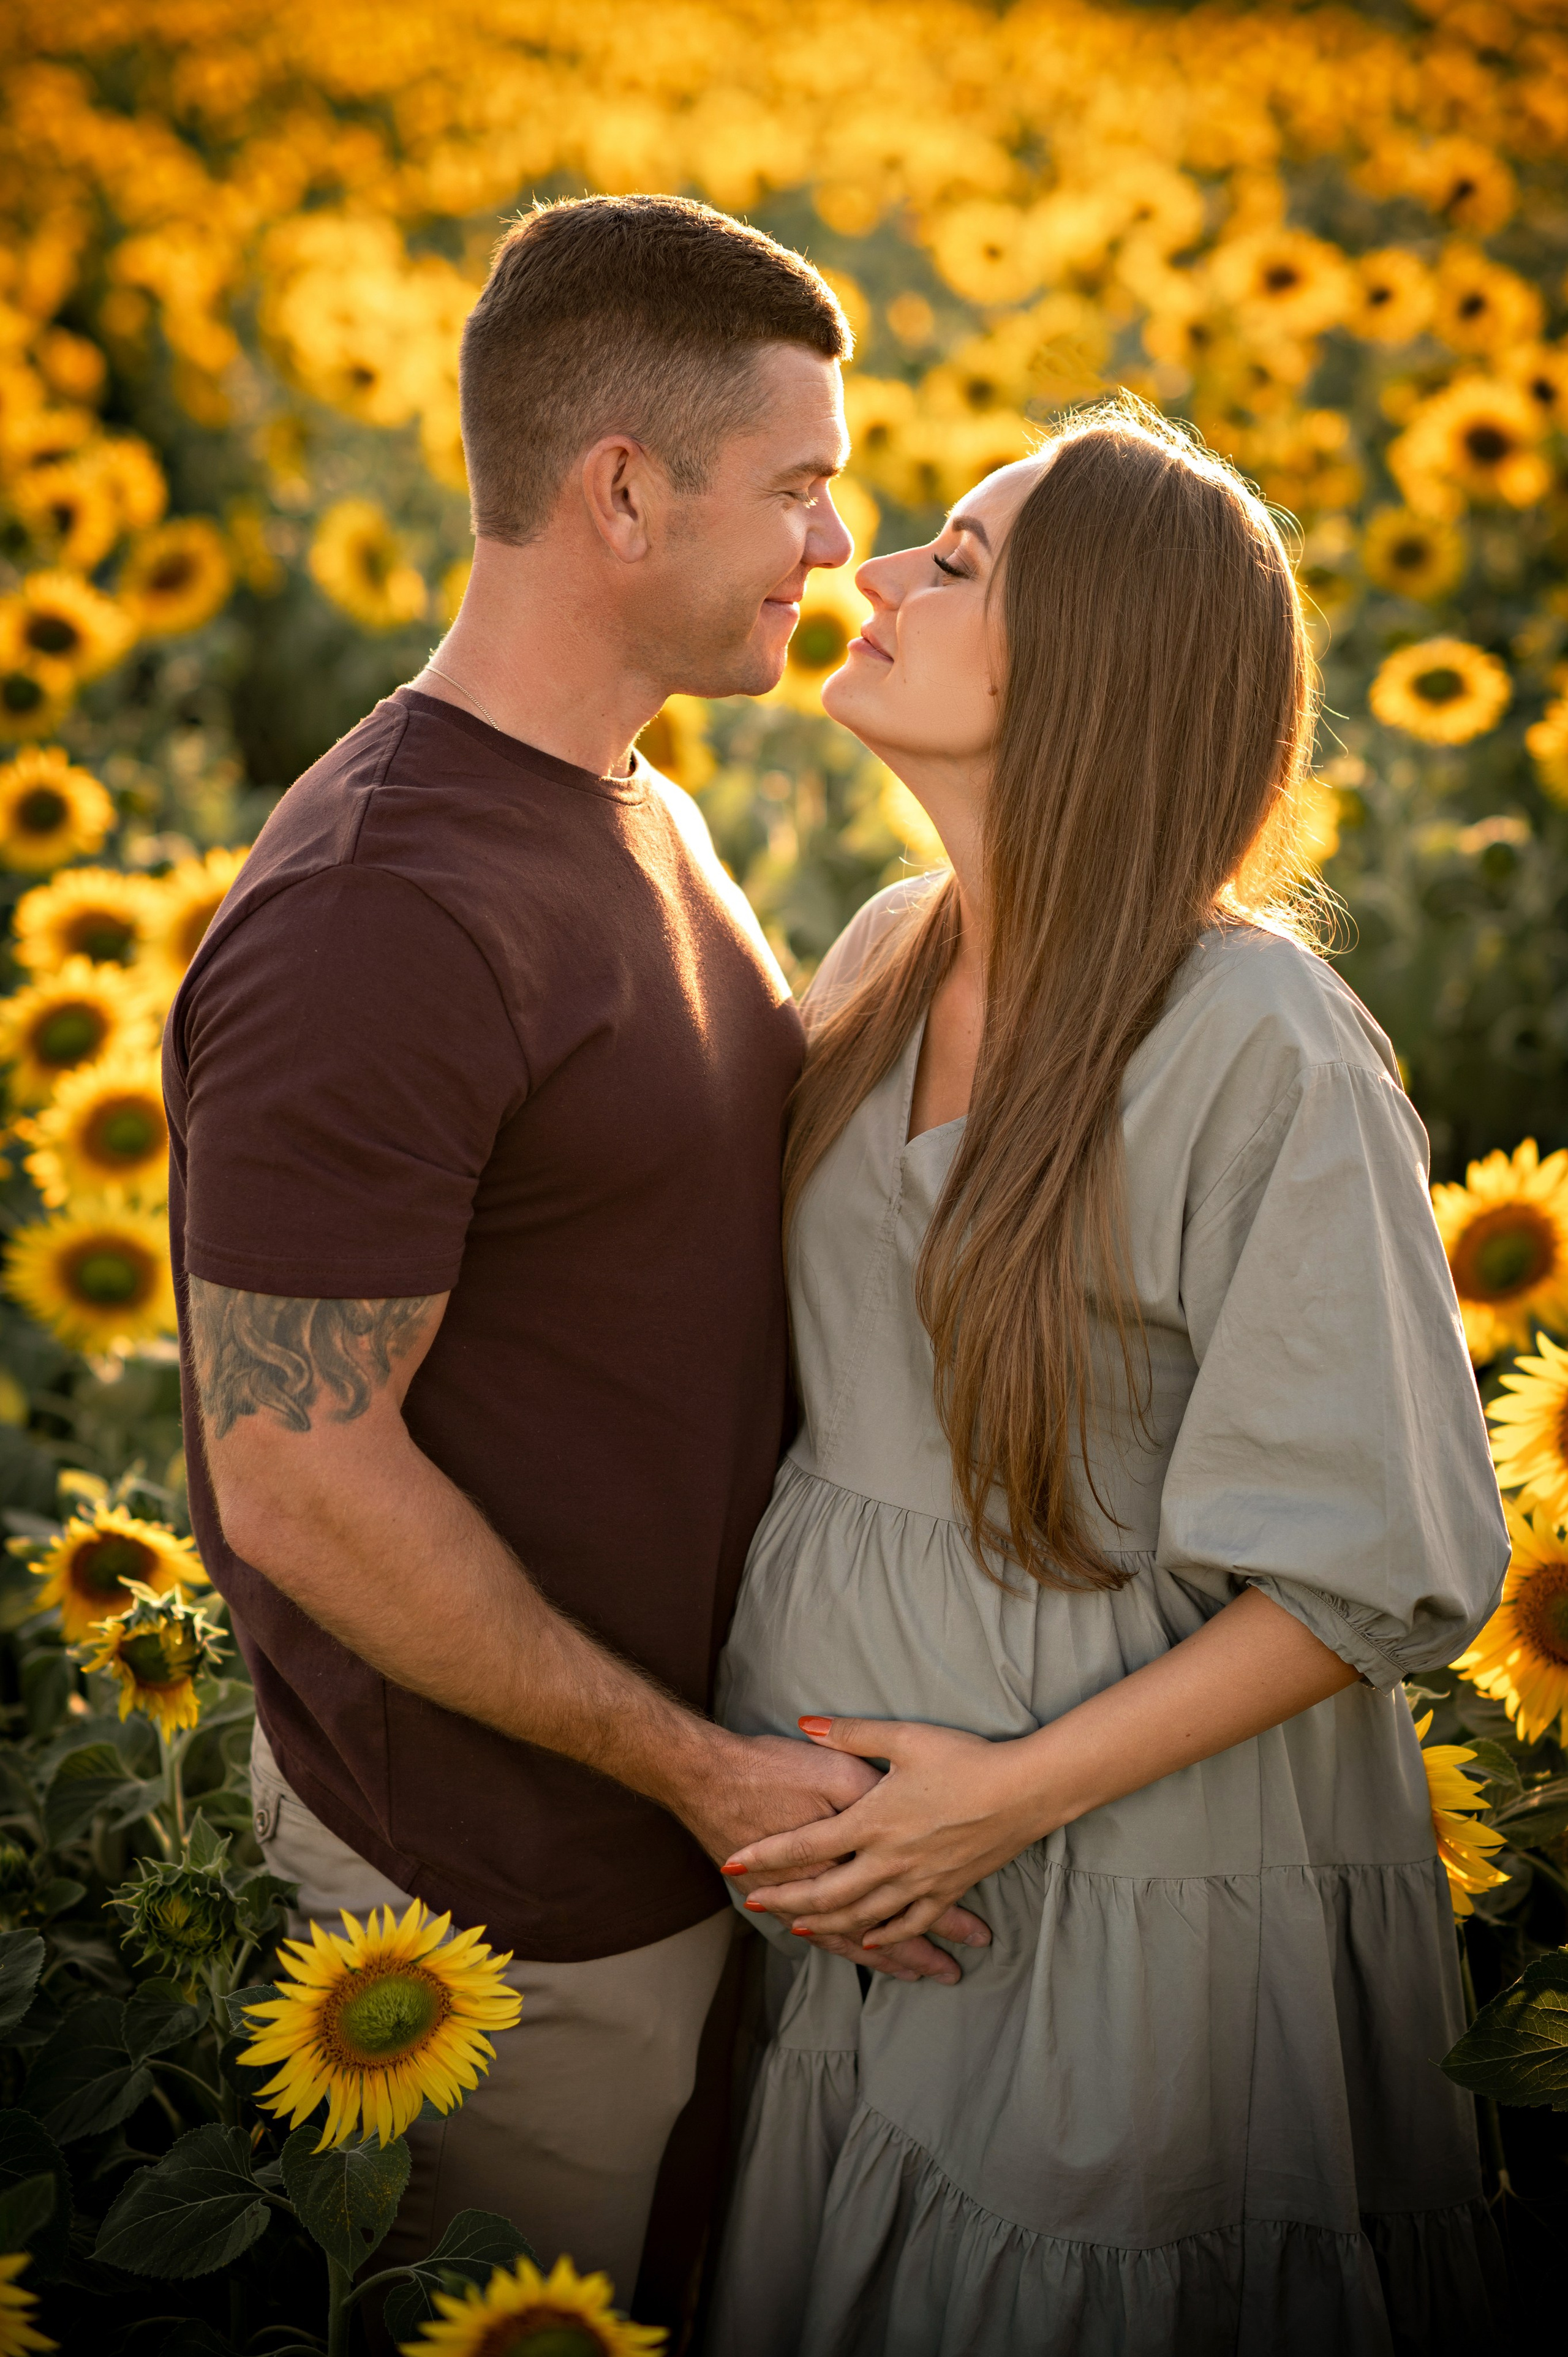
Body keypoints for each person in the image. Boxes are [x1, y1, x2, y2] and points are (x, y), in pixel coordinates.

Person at [163, 192, 983, 2304]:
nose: (837, 541)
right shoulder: (383, 914)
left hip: (675, 1861)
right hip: (493, 1913)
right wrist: (703, 1777)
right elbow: (298, 1478)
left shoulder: (634, 801)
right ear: (622, 488)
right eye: (799, 483)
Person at [706, 399, 1510, 2356]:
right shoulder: (892, 950)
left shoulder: (1260, 1039)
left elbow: (1370, 1568)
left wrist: (994, 1806)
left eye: (958, 562)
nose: (869, 575)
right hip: (854, 1873)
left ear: (1100, 668)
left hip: (1121, 1872)